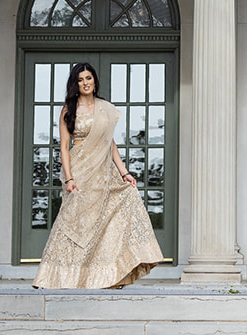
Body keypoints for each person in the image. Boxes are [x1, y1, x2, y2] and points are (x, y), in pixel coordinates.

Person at [33, 62, 164, 290]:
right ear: (75, 83)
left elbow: (109, 144)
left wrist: (124, 173)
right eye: (81, 79)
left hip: (103, 171)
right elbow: (65, 146)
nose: (85, 83)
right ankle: (55, 277)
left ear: (95, 81)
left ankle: (105, 276)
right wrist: (69, 177)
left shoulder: (105, 108)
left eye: (89, 78)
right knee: (72, 222)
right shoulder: (68, 109)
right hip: (79, 169)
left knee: (116, 210)